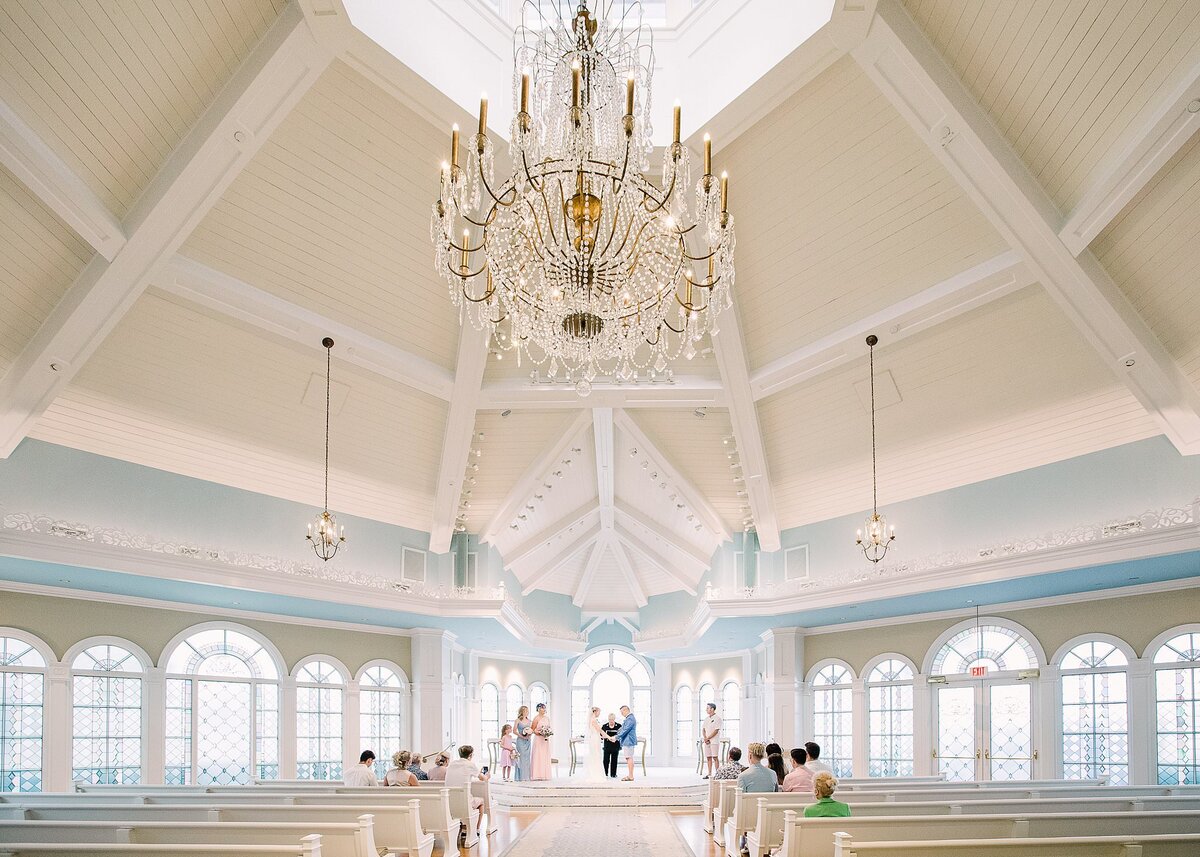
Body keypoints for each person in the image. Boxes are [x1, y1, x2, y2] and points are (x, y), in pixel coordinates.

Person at [445, 745, 490, 835]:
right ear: (470, 755)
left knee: (463, 802)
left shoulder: (452, 764)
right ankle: (476, 829)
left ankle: (464, 829)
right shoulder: (470, 764)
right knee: (481, 801)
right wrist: (487, 776)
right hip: (465, 802)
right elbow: (482, 778)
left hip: (450, 802)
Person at [610, 704, 638, 782]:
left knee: (629, 757)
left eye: (622, 712)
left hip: (628, 741)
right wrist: (616, 735)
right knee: (629, 757)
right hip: (627, 740)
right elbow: (622, 729)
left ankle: (631, 776)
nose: (622, 714)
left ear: (626, 710)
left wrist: (616, 737)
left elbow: (625, 730)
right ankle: (630, 775)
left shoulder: (630, 718)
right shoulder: (629, 718)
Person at [530, 702, 552, 781]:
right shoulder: (536, 718)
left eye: (544, 708)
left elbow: (549, 727)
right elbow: (532, 729)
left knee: (544, 755)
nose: (543, 709)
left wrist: (548, 732)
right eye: (542, 708)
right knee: (538, 755)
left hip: (545, 740)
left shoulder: (547, 718)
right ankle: (537, 775)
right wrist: (539, 733)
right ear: (538, 709)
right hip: (538, 739)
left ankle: (544, 774)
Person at [584, 706, 605, 781]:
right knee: (596, 755)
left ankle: (596, 772)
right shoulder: (593, 720)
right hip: (595, 738)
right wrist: (609, 737)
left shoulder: (592, 720)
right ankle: (595, 774)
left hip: (595, 738)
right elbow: (600, 730)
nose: (599, 713)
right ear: (595, 712)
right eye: (599, 712)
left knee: (596, 755)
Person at [701, 702, 722, 779]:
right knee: (708, 757)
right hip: (707, 741)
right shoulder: (706, 719)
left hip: (714, 741)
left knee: (715, 757)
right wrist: (705, 738)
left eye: (707, 708)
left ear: (712, 709)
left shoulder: (718, 719)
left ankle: (717, 774)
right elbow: (703, 729)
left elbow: (716, 731)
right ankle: (709, 773)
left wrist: (708, 738)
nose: (706, 710)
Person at [513, 706, 532, 782]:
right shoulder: (517, 720)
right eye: (525, 711)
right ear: (522, 711)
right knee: (521, 758)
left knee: (527, 759)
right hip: (520, 741)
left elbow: (531, 730)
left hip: (528, 741)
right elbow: (514, 731)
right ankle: (520, 777)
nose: (527, 712)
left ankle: (526, 777)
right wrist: (522, 736)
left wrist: (529, 735)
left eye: (527, 711)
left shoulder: (529, 721)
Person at [601, 712, 621, 778]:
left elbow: (621, 735)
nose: (611, 721)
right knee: (606, 760)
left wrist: (615, 738)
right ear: (608, 719)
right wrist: (606, 737)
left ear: (614, 719)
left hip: (615, 745)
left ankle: (613, 774)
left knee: (614, 760)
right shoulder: (604, 726)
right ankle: (605, 773)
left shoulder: (619, 726)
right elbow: (601, 735)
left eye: (612, 719)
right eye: (610, 720)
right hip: (607, 745)